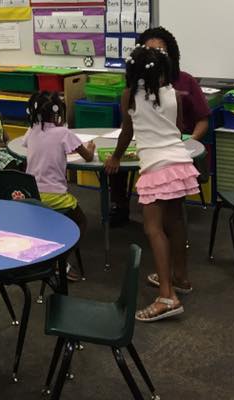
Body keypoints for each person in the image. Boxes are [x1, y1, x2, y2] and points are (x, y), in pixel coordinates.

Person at [107, 45, 200, 322]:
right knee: (176, 222)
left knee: (153, 228)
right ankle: (181, 277)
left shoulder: (130, 96)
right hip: (180, 163)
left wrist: (116, 156)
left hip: (156, 166)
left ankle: (166, 296)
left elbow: (128, 130)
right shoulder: (174, 94)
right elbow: (176, 128)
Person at [110, 26, 211, 224]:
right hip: (145, 145)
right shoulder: (137, 85)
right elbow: (130, 120)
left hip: (176, 145)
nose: (153, 56)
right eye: (148, 51)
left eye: (159, 51)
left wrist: (190, 140)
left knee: (160, 225)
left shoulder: (185, 82)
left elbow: (203, 120)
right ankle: (120, 207)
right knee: (116, 164)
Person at [24, 90, 93, 281]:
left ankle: (45, 252)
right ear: (57, 113)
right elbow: (87, 157)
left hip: (32, 197)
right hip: (55, 196)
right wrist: (91, 149)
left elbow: (30, 148)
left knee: (47, 221)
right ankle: (60, 261)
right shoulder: (63, 133)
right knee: (81, 221)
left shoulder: (31, 130)